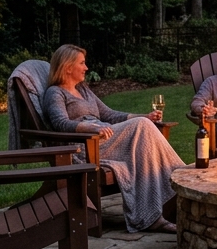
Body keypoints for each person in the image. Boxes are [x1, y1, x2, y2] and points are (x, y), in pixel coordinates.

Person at [42, 44, 183, 234]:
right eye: (82, 63)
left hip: (104, 137)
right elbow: (60, 123)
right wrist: (89, 127)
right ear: (67, 67)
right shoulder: (55, 93)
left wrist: (143, 116)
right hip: (85, 146)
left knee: (144, 132)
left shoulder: (83, 90)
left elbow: (109, 114)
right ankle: (179, 176)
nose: (86, 68)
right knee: (141, 127)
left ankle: (160, 208)